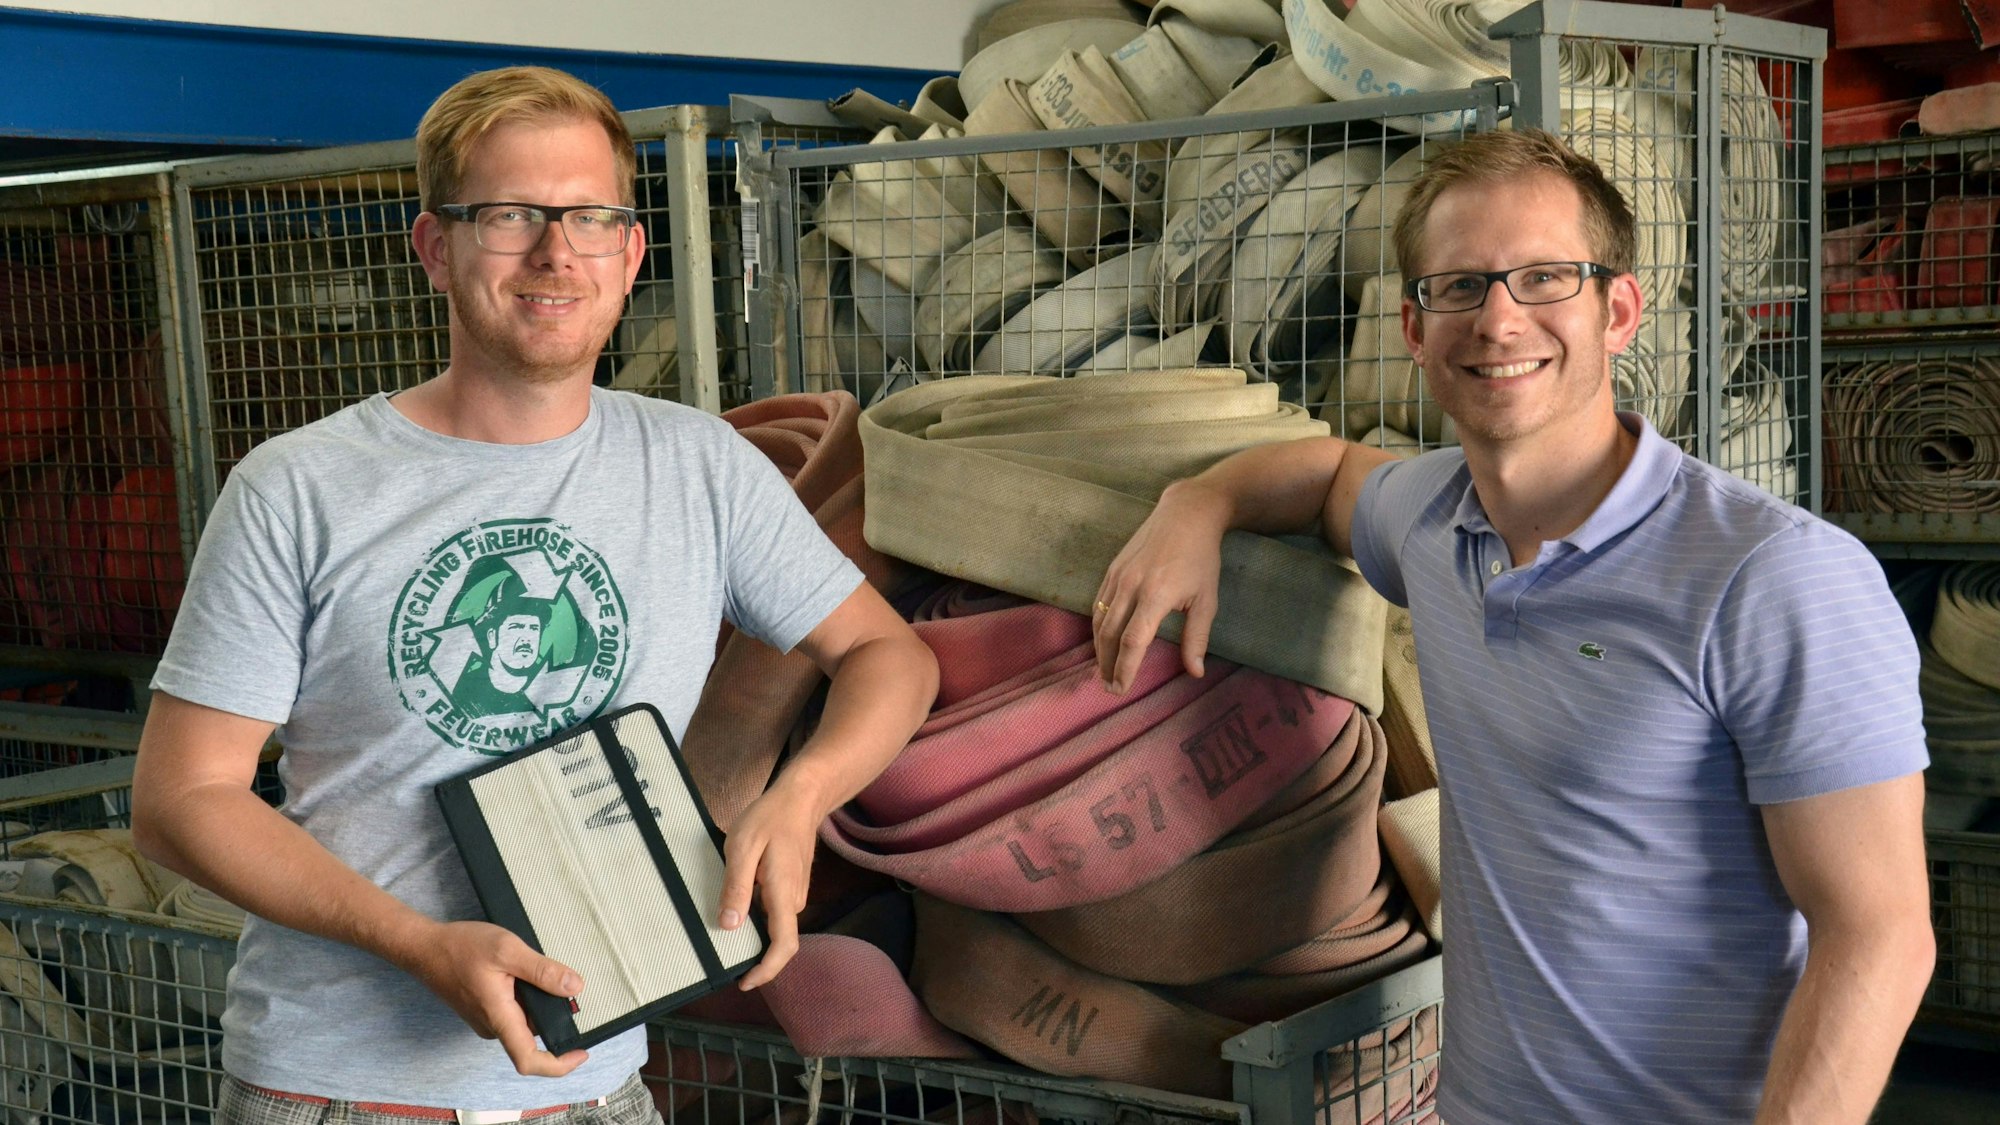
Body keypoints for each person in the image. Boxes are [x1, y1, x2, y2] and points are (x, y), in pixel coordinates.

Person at [131, 65, 939, 1121]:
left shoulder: (699, 466)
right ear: (435, 247)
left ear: (630, 250)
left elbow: (890, 658)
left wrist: (801, 797)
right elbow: (181, 800)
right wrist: (414, 944)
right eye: (511, 215)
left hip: (600, 1087)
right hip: (342, 1092)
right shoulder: (297, 488)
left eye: (592, 216)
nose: (557, 254)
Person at [1091, 129, 1932, 1124]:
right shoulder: (1430, 518)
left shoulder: (1773, 578)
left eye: (1542, 279)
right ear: (1413, 328)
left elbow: (1876, 934)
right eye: (1458, 286)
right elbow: (1321, 475)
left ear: (1616, 310)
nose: (1497, 319)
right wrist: (1198, 503)